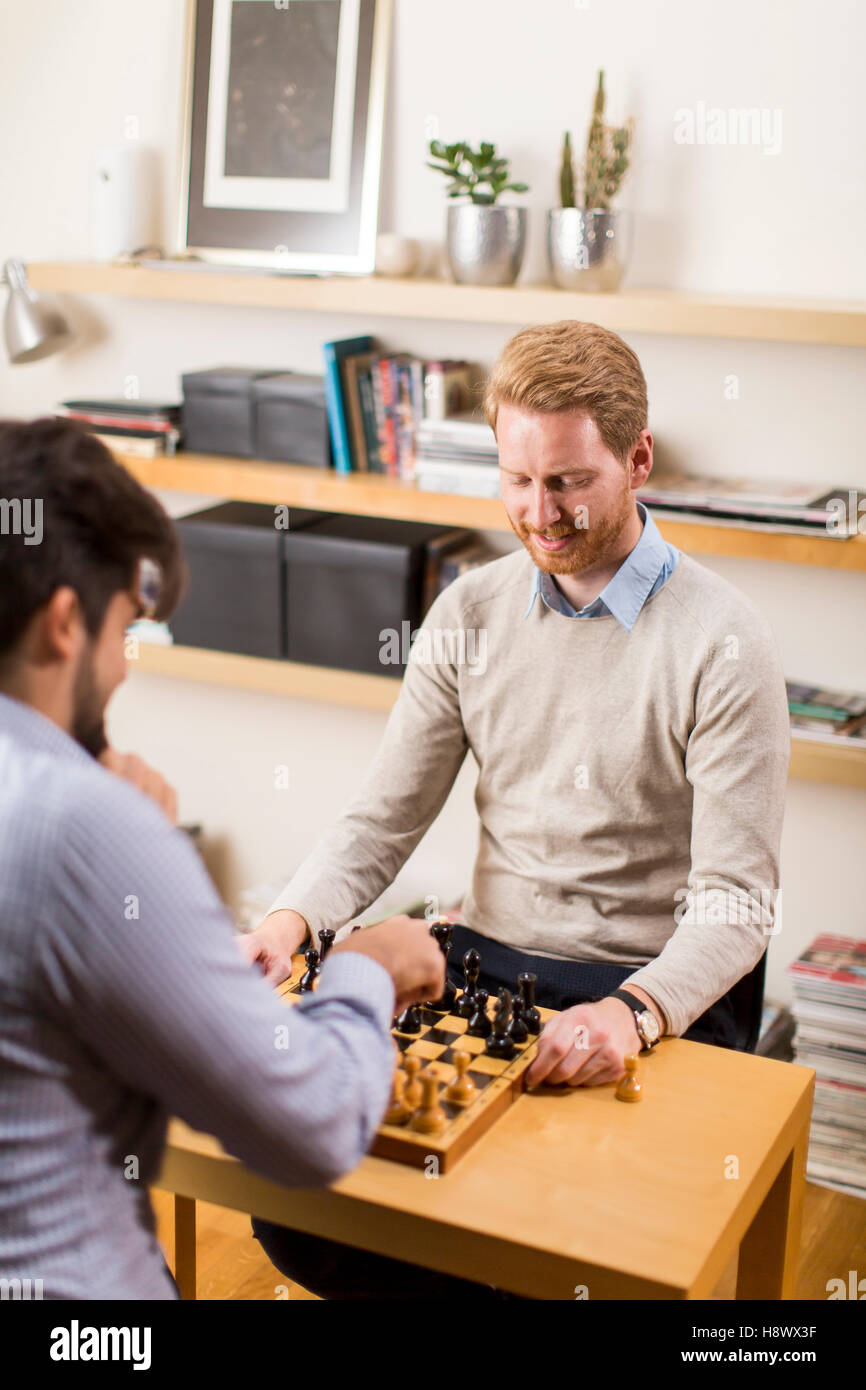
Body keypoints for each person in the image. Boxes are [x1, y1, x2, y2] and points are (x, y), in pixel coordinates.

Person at [242, 319, 790, 1298]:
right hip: (492, 961)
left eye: (568, 481)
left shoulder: (723, 642)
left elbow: (736, 906)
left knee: (560, 1232)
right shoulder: (468, 612)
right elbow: (381, 818)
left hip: (643, 988)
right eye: (515, 480)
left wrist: (631, 1013)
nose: (538, 513)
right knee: (299, 1214)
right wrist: (288, 921)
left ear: (635, 460)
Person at [0, 416, 444, 1300]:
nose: (123, 669)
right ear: (61, 626)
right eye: (125, 626)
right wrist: (363, 969)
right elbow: (310, 1126)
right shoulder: (85, 828)